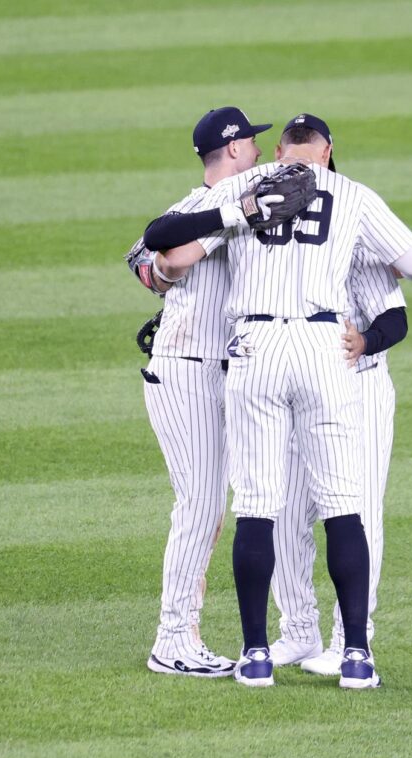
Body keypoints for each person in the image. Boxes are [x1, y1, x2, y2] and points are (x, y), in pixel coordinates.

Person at [159, 113, 412, 689]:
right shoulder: (352, 196)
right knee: (344, 505)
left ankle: (255, 655)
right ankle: (355, 653)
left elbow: (162, 239)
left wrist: (238, 213)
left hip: (255, 347)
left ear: (280, 150)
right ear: (328, 151)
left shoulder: (244, 186)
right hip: (323, 347)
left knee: (259, 502)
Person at [123, 106, 273, 678]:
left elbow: (153, 263)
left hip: (217, 371)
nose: (258, 151)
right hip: (186, 369)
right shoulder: (201, 209)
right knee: (202, 506)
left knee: (211, 505)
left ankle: (182, 633)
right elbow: (151, 255)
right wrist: (224, 224)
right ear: (232, 150)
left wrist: (163, 271)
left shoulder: (218, 207)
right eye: (252, 144)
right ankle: (173, 639)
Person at [266, 118, 410, 676]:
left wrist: (364, 340)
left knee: (357, 510)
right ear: (277, 157)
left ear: (328, 156)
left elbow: (395, 316)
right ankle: (297, 631)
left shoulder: (353, 221)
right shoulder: (268, 226)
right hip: (297, 386)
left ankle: (355, 639)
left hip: (361, 387)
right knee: (281, 506)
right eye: (291, 156)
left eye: (311, 156)